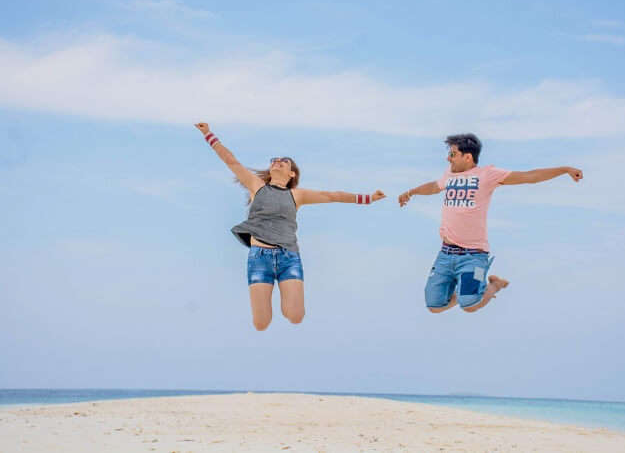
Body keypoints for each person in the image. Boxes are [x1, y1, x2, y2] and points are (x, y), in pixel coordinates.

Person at [195, 122, 386, 330]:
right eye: (274, 160)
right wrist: (208, 134)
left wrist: (369, 198)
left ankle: (288, 304)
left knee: (295, 316)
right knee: (261, 323)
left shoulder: (297, 195)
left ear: (292, 174)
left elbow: (333, 195)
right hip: (260, 258)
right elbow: (230, 160)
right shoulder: (256, 186)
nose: (277, 162)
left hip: (289, 259)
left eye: (283, 161)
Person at [398, 133, 583, 314]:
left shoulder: (487, 175)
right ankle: (467, 290)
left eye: (453, 154)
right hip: (445, 254)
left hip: (474, 256)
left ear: (467, 157)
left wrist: (564, 169)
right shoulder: (449, 176)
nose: (448, 158)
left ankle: (494, 285)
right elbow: (433, 186)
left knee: (470, 306)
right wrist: (410, 192)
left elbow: (530, 176)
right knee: (434, 306)